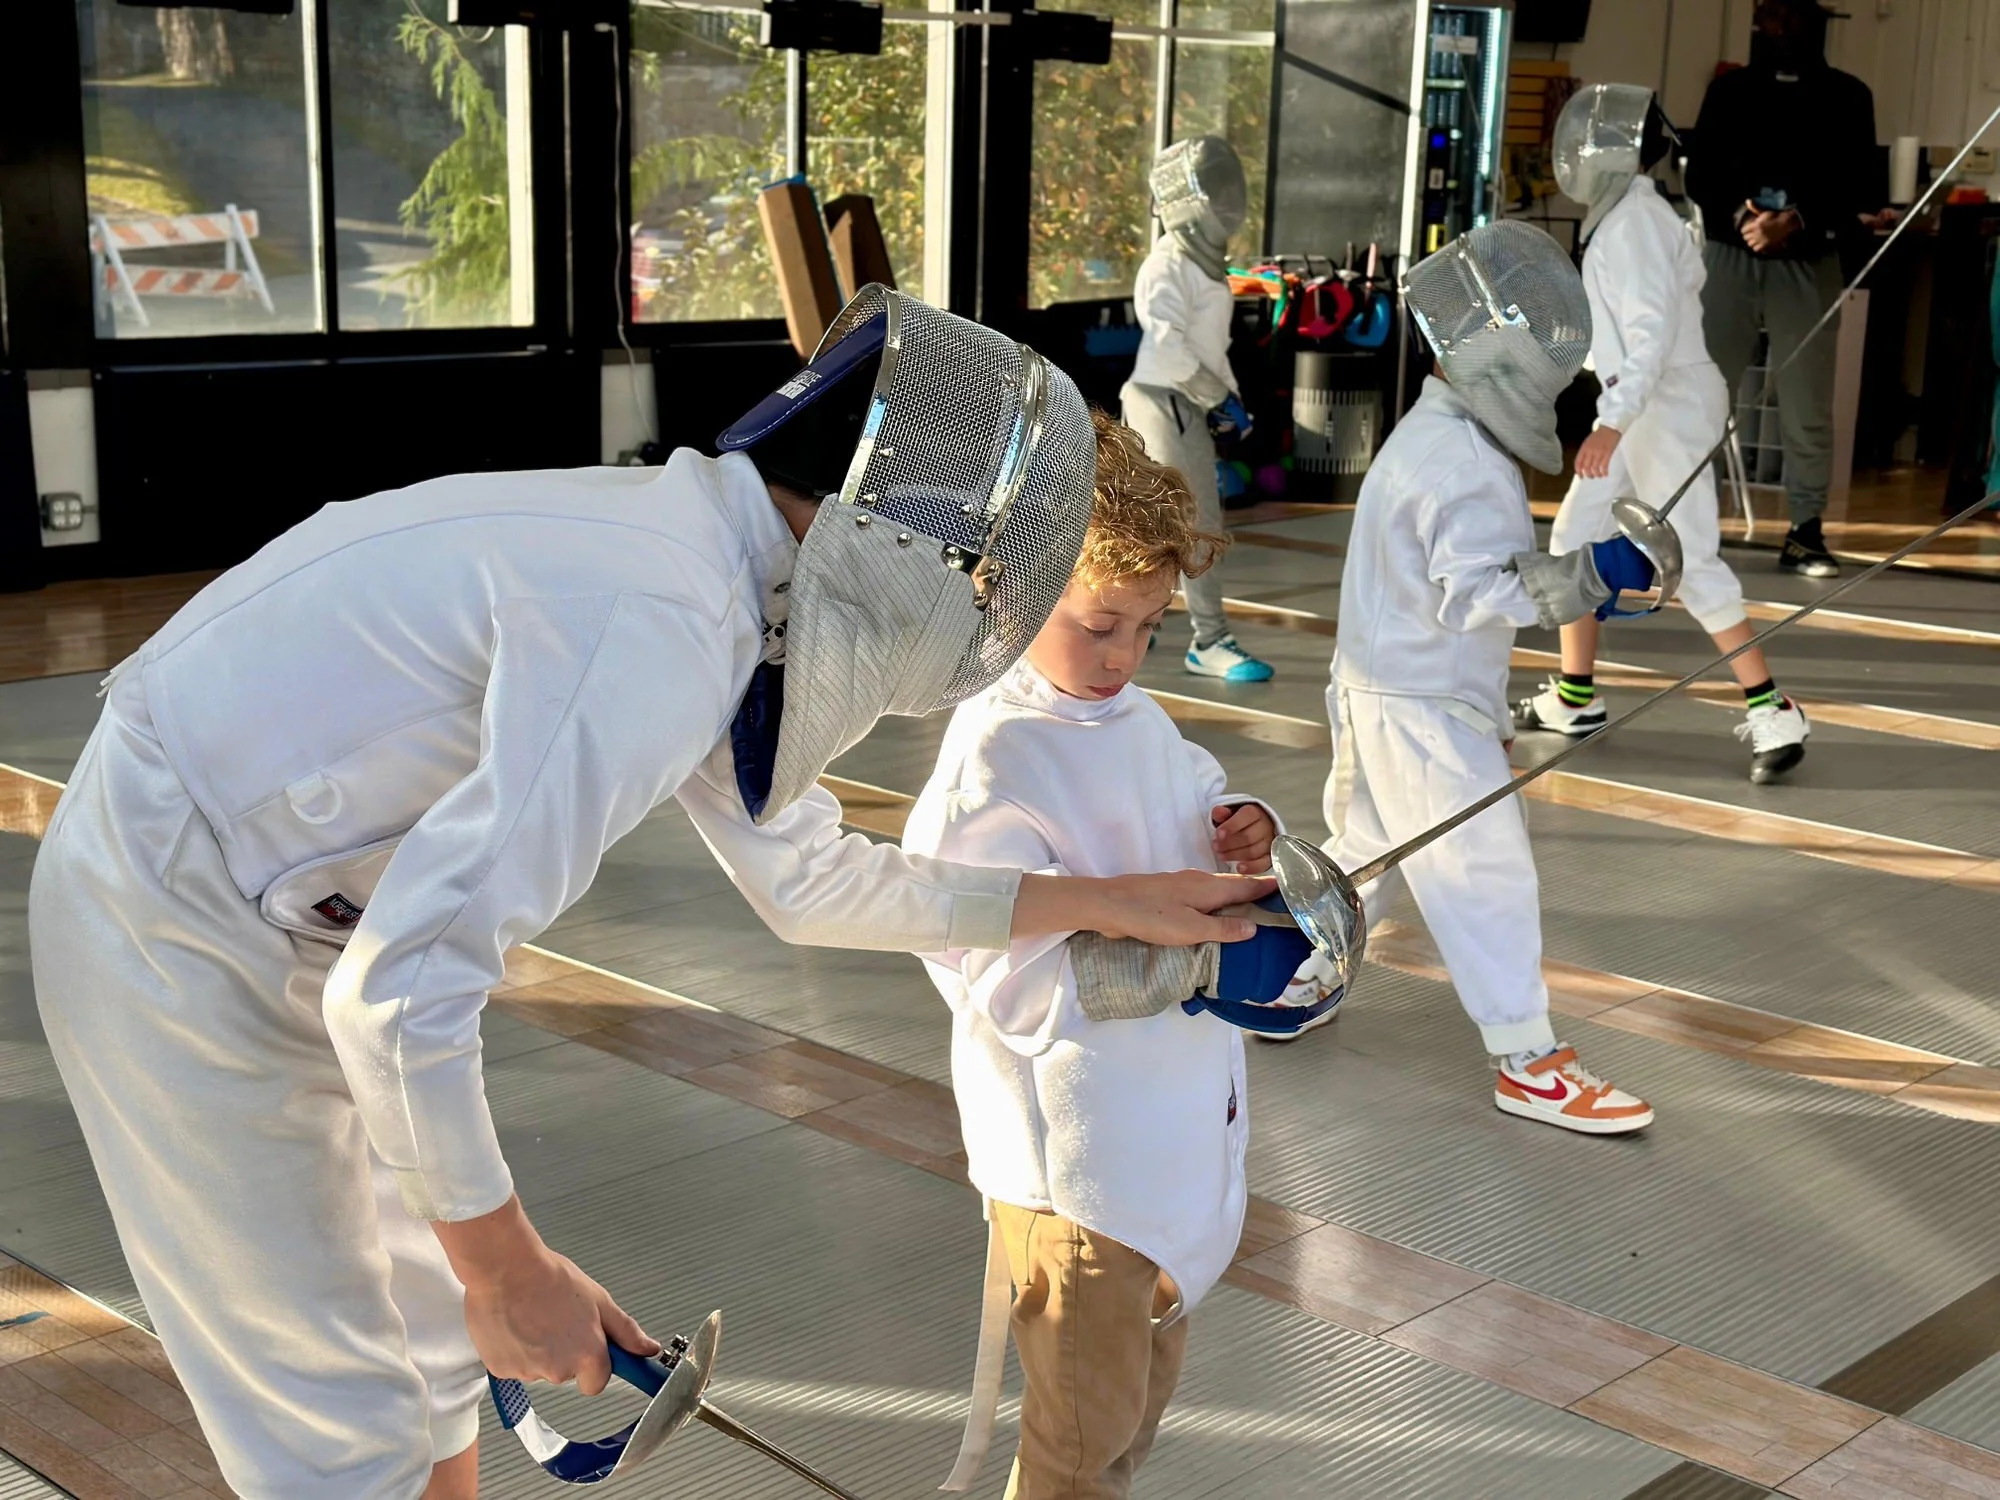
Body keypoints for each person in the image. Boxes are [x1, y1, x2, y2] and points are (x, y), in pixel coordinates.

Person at [25, 287, 1274, 1500]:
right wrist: (508, 1265)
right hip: (172, 904)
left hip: (289, 901)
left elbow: (810, 879)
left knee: (424, 1345)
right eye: (980, 593)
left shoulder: (723, 580)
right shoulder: (657, 617)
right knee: (336, 1413)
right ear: (903, 556)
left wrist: (1099, 901)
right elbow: (401, 999)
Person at [905, 411, 1298, 1499]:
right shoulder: (996, 753)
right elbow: (965, 937)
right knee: (1075, 1449)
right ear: (1017, 592)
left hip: (1170, 1141)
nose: (1123, 656)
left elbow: (1192, 802)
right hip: (1075, 1184)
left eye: (1146, 630)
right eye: (1099, 624)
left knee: (1127, 1424)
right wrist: (1166, 965)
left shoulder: (1136, 721)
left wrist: (1242, 825)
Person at [1277, 223, 1655, 1136]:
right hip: (1419, 705)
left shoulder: (1431, 432)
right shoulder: (1465, 463)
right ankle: (1528, 1059)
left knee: (1365, 850)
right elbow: (1475, 595)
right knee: (1484, 870)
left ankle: (1295, 982)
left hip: (1376, 687)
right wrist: (1588, 579)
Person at [1515, 83, 1811, 784]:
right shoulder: (1625, 217)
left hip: (1663, 407)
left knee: (1692, 558)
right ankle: (1575, 697)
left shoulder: (1638, 223)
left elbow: (1648, 337)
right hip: (1638, 403)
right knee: (1574, 541)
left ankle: (1776, 711)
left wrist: (1613, 425)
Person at [1686, 0, 1881, 579]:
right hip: (1728, 254)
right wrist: (1740, 217)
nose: (1781, 29)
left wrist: (1797, 219)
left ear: (1817, 23)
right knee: (1703, 392)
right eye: (1771, 16)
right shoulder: (1729, 91)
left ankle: (1805, 529)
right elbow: (1700, 175)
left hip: (1809, 258)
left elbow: (1861, 186)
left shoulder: (1849, 95)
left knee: (1806, 400)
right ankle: (1688, 524)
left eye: (1793, 17)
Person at [1121, 135, 1276, 682]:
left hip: (1186, 401)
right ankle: (1209, 640)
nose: (1223, 202)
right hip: (1162, 401)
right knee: (1194, 523)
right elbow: (1166, 344)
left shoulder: (1199, 265)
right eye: (1212, 191)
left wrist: (1228, 399)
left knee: (1160, 524)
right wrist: (1217, 397)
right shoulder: (1165, 266)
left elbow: (1211, 347)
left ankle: (1141, 621)